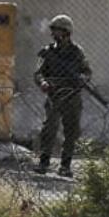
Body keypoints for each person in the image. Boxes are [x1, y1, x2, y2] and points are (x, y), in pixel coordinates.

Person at [34, 14, 92, 177]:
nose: (53, 34)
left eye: (57, 30)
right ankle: (44, 163)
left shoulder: (77, 52)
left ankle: (65, 165)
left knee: (71, 131)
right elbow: (38, 73)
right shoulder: (47, 52)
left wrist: (83, 78)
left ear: (66, 32)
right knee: (49, 129)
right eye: (53, 30)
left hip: (72, 95)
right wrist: (43, 83)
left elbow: (87, 71)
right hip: (54, 95)